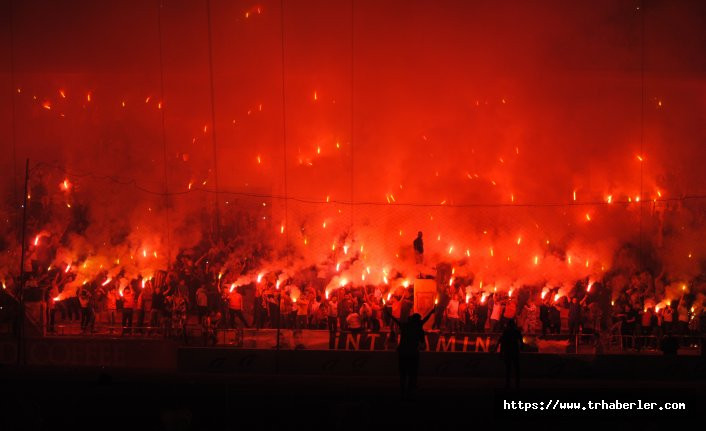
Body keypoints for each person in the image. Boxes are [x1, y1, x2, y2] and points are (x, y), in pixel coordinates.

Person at [385, 305, 436, 399]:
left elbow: (396, 320)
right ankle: (410, 391)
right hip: (413, 352)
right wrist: (432, 311)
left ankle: (403, 391)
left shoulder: (405, 325)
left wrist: (387, 312)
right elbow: (425, 319)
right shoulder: (418, 326)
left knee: (403, 372)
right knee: (413, 372)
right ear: (418, 320)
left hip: (403, 351)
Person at [498, 319, 523, 389]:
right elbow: (521, 341)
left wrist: (501, 352)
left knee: (508, 368)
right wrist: (521, 348)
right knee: (516, 368)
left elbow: (502, 343)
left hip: (508, 351)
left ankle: (507, 383)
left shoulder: (506, 332)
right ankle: (517, 384)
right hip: (515, 351)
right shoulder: (517, 332)